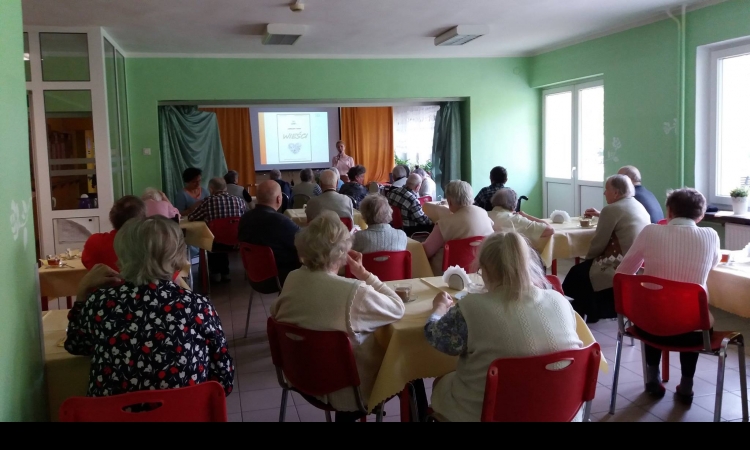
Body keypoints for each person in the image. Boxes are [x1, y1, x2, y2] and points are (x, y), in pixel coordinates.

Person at [65, 216, 234, 397]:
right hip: (184, 413)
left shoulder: (100, 303)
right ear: (177, 257)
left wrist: (82, 291)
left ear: (122, 254)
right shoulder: (198, 306)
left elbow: (76, 345)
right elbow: (224, 380)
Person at [425, 232, 583, 422]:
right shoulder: (560, 301)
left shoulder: (471, 307)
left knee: (442, 382)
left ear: (486, 270)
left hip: (487, 414)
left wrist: (438, 309)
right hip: (561, 412)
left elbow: (437, 338)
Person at [270, 212, 405, 422]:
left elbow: (275, 314)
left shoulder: (293, 278)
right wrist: (365, 274)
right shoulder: (354, 291)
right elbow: (397, 308)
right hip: (348, 391)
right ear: (342, 253)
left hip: (300, 375)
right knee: (408, 374)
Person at [616, 188, 719, 402]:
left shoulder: (650, 232)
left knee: (654, 308)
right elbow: (713, 263)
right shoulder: (710, 235)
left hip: (648, 327)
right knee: (691, 316)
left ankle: (652, 379)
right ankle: (686, 386)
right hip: (692, 332)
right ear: (700, 215)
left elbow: (623, 273)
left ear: (669, 211)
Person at [562, 175, 650, 323]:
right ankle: (588, 310)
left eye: (606, 189)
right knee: (582, 273)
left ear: (616, 193)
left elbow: (598, 243)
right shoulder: (638, 206)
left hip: (618, 264)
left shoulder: (612, 209)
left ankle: (581, 313)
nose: (604, 193)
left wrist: (589, 260)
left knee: (578, 273)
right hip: (637, 265)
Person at [423, 180, 495, 275]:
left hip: (446, 275)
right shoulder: (483, 214)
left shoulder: (445, 224)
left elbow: (426, 251)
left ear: (449, 201)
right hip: (479, 271)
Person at [238, 180, 301, 286]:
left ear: (257, 197)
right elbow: (304, 239)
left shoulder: (244, 219)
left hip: (254, 277)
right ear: (279, 199)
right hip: (281, 277)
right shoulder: (281, 222)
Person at [189, 177, 246, 283]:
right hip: (237, 242)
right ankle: (225, 273)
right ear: (225, 188)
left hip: (216, 242)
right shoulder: (239, 201)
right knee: (225, 234)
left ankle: (215, 273)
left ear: (211, 189)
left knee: (214, 238)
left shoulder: (207, 202)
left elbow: (192, 217)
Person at [82, 195, 146, 271]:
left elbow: (86, 262)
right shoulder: (149, 244)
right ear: (142, 221)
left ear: (112, 215)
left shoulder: (94, 242)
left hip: (102, 283)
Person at [488, 188, 553, 247]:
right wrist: (526, 216)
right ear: (514, 205)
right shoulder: (515, 219)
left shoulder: (485, 215)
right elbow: (550, 230)